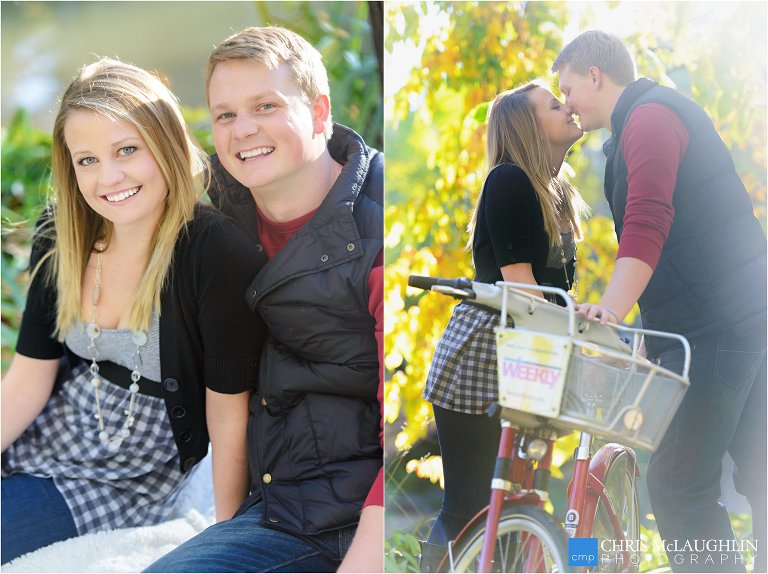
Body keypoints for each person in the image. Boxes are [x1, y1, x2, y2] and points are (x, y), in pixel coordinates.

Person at [0, 59, 266, 564]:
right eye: (87, 160)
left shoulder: (212, 254)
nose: (110, 177)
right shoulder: (63, 235)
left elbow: (228, 414)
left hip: (125, 475)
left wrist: (227, 543)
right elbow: (27, 379)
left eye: (127, 150)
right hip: (55, 429)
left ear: (164, 144)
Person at [144, 26, 383, 573]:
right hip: (273, 494)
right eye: (225, 115)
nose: (242, 130)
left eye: (266, 106)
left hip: (347, 514)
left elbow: (402, 434)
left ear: (320, 113)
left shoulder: (379, 230)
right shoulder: (217, 211)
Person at [553, 30, 767, 573]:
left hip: (719, 326)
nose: (568, 103)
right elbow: (674, 246)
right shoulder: (638, 124)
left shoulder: (648, 119)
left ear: (595, 76)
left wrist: (612, 310)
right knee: (757, 471)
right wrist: (648, 330)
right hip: (737, 315)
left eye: (568, 88)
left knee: (677, 483)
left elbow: (648, 225)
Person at [418, 80, 589, 572]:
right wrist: (583, 338)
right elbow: (523, 288)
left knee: (520, 503)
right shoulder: (510, 180)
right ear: (527, 127)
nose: (569, 109)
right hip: (487, 350)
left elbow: (555, 294)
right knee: (470, 505)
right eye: (555, 105)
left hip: (530, 351)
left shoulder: (554, 192)